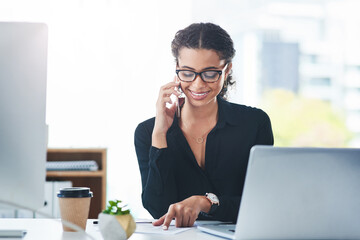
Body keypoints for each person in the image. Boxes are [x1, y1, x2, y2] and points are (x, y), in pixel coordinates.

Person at [134, 22, 274, 230]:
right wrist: (160, 133)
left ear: (227, 70)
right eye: (188, 73)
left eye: (209, 73)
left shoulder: (254, 123)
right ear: (176, 70)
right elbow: (158, 208)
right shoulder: (148, 132)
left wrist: (206, 203)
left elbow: (262, 202)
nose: (198, 84)